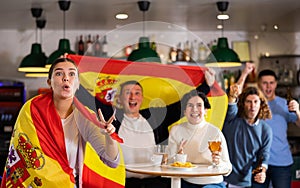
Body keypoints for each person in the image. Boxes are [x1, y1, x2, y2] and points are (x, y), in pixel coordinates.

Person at [1, 57, 123, 188]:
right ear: (49, 82)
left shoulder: (85, 116)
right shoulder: (31, 109)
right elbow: (21, 158)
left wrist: (109, 136)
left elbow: (111, 162)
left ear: (77, 83)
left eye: (72, 74)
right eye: (59, 73)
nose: (66, 78)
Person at [222, 63, 273, 187]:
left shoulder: (266, 130)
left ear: (261, 104)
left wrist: (263, 171)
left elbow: (264, 156)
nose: (252, 106)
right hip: (221, 178)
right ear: (243, 104)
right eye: (248, 102)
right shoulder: (232, 119)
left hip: (242, 182)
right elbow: (233, 95)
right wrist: (245, 73)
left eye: (256, 102)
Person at [168, 90, 232, 188]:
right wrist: (179, 156)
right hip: (187, 182)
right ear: (184, 111)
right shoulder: (176, 131)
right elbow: (169, 164)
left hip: (212, 183)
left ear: (206, 110)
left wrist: (218, 162)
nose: (194, 109)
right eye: (190, 105)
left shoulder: (215, 132)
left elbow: (228, 169)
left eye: (199, 105)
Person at [257, 69, 300, 188]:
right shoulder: (253, 104)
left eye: (271, 83)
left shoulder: (284, 104)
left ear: (276, 84)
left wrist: (297, 111)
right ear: (259, 84)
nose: (268, 86)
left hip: (281, 161)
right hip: (258, 162)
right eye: (265, 83)